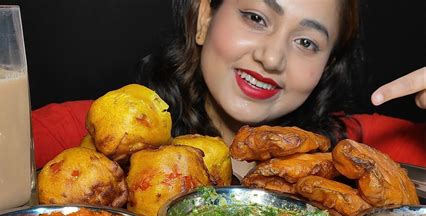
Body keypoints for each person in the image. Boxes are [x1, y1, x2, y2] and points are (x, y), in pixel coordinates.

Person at [32, 0, 426, 174]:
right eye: (256, 17)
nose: (272, 58)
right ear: (204, 17)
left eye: (307, 42)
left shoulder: (363, 153)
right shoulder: (92, 135)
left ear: (326, 67)